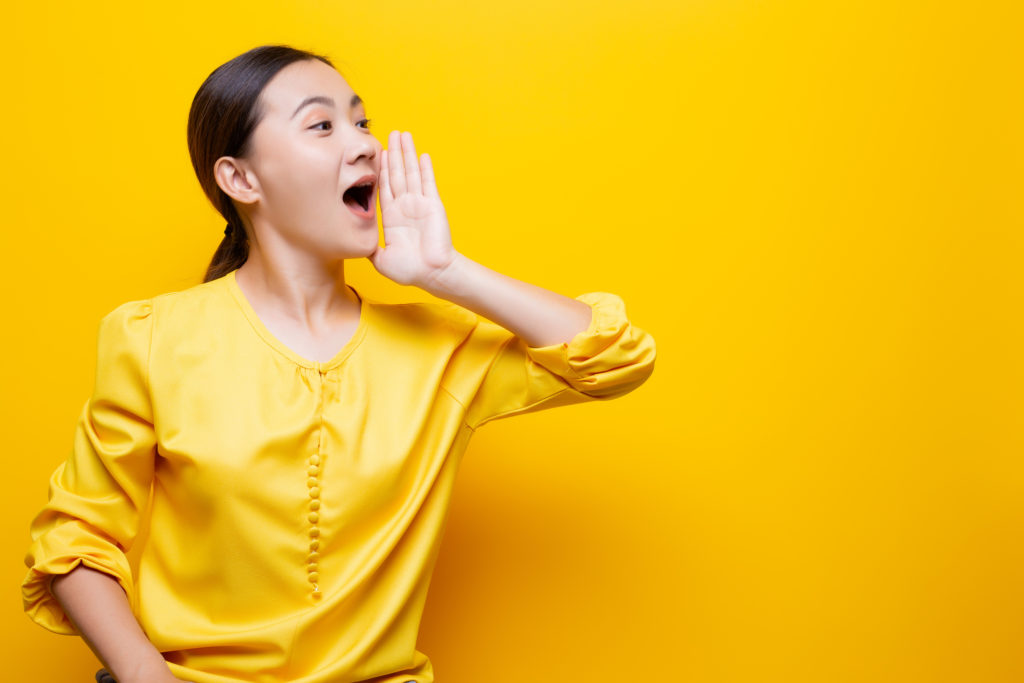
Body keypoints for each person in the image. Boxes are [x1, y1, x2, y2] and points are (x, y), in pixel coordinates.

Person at [20, 44, 657, 683]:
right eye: (322, 125)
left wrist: (448, 273)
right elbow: (74, 542)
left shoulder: (440, 349)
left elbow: (614, 356)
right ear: (241, 179)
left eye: (362, 122)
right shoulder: (154, 338)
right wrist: (140, 671)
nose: (364, 146)